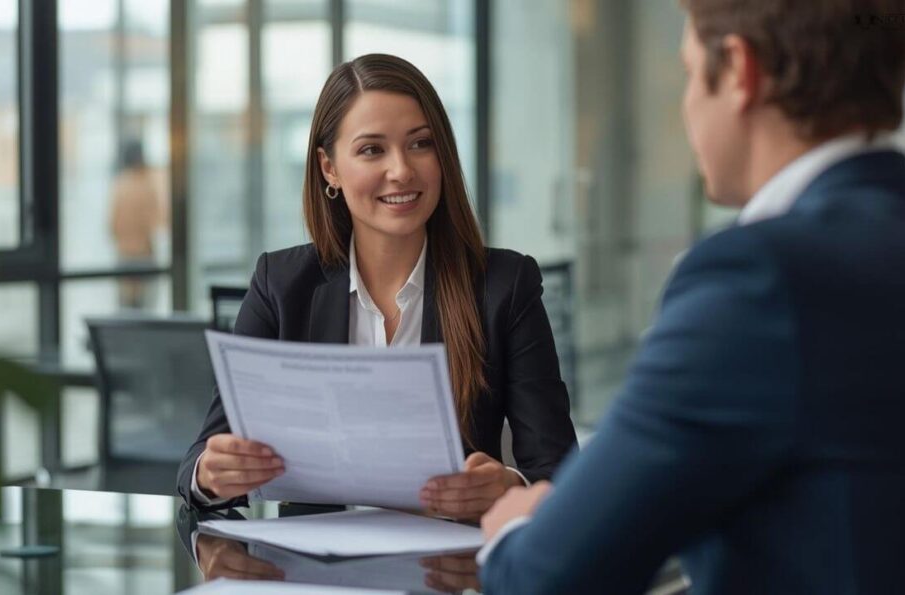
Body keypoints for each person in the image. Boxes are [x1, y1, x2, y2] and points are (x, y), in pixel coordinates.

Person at [479, 0, 905, 593]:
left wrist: (517, 529)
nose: (688, 103)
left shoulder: (757, 278)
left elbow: (547, 578)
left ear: (740, 71)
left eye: (693, 72)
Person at [176, 54, 577, 520]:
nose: (402, 170)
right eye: (372, 150)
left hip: (449, 573)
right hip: (311, 572)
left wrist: (509, 487)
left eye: (421, 144)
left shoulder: (504, 287)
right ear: (329, 168)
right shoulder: (281, 285)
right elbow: (198, 464)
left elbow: (560, 473)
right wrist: (212, 473)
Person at [109, 139, 166, 308]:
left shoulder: (119, 185)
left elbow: (112, 225)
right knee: (147, 315)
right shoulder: (147, 186)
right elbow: (157, 222)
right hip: (144, 257)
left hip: (124, 258)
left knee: (126, 314)